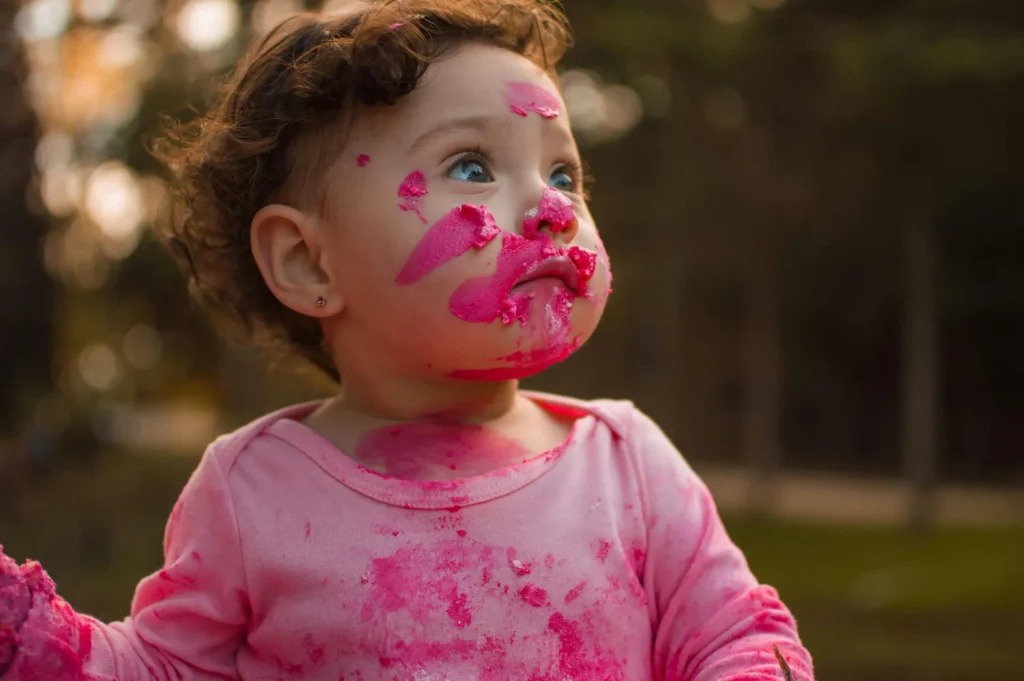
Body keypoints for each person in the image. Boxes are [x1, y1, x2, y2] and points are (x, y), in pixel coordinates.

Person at [0, 1, 815, 679]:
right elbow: (153, 668)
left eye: (565, 173)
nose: (552, 208)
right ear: (307, 259)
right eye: (470, 167)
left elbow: (738, 637)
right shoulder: (252, 493)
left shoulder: (628, 463)